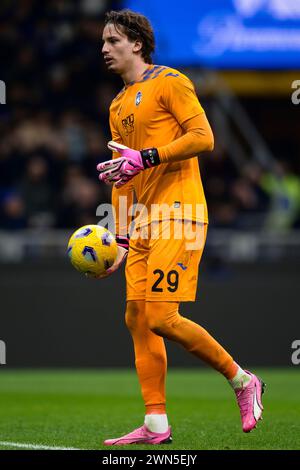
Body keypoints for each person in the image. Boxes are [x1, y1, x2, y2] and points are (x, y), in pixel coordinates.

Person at [97, 9, 265, 446]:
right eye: (102, 42)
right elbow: (123, 173)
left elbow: (204, 137)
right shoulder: (117, 105)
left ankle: (242, 379)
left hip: (179, 211)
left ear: (137, 43)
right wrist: (118, 237)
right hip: (140, 221)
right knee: (136, 317)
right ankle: (156, 425)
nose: (104, 49)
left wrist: (147, 157)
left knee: (162, 316)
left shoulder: (170, 81)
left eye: (113, 41)